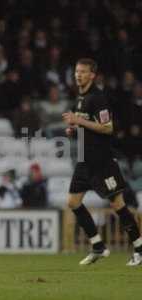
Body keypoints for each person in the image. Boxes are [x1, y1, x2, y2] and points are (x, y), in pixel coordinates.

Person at [62, 58, 142, 266]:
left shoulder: (98, 98)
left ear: (92, 75)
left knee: (118, 205)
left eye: (82, 72)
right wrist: (72, 131)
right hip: (84, 162)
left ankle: (140, 250)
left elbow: (107, 128)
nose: (77, 75)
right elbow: (84, 128)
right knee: (72, 202)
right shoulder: (79, 99)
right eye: (76, 71)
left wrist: (78, 121)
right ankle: (98, 246)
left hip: (102, 162)